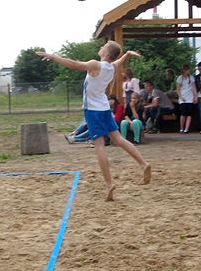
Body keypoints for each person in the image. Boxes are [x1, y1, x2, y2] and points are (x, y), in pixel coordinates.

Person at [37, 42, 151, 201]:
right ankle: (143, 164)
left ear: (106, 53)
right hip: (104, 108)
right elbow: (120, 61)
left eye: (104, 45)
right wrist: (128, 54)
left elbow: (75, 64)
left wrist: (52, 56)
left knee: (99, 146)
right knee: (119, 139)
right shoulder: (111, 67)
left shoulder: (94, 64)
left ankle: (109, 184)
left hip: (93, 110)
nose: (101, 46)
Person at [175, 64, 197, 134]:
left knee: (189, 114)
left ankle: (186, 129)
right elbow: (178, 89)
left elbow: (193, 88)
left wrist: (195, 96)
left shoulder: (191, 78)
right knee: (183, 114)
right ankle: (181, 128)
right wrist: (180, 96)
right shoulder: (179, 78)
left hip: (190, 98)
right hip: (183, 98)